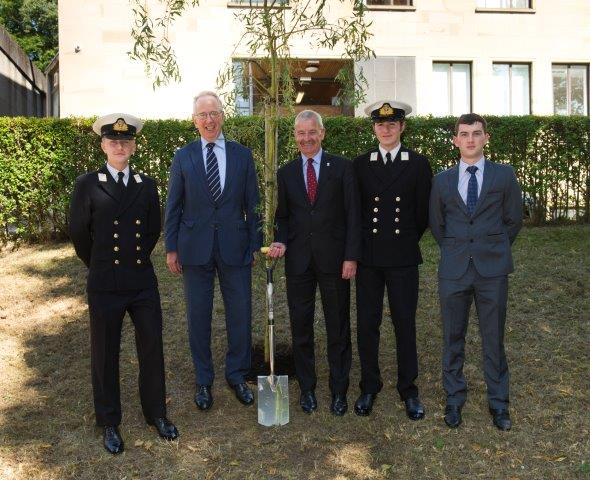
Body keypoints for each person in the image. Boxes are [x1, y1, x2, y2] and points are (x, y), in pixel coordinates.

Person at [69, 113, 178, 455]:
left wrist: (133, 260)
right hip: (104, 281)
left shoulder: (146, 184)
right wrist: (101, 264)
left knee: (151, 346)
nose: (119, 146)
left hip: (141, 280)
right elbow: (78, 233)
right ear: (103, 145)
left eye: (125, 141)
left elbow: (152, 229)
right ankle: (109, 421)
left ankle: (156, 413)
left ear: (133, 146)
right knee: (105, 353)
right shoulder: (87, 184)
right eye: (113, 141)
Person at [164, 91, 262, 411]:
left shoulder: (242, 155)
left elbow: (253, 205)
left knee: (240, 313)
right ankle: (204, 380)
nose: (209, 120)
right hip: (194, 249)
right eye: (202, 115)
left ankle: (237, 375)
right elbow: (174, 206)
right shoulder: (183, 156)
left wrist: (254, 243)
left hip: (235, 248)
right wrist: (171, 247)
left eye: (214, 113)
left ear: (222, 116)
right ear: (194, 121)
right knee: (198, 316)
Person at [429, 113, 523, 431]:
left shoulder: (504, 176)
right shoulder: (442, 180)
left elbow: (513, 220)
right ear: (455, 140)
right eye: (464, 134)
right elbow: (438, 225)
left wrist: (491, 248)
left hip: (492, 270)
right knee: (452, 337)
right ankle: (454, 400)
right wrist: (459, 249)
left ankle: (499, 404)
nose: (470, 139)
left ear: (486, 138)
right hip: (454, 270)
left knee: (493, 339)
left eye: (476, 133)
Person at [267, 109, 360, 416]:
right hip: (299, 263)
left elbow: (353, 216)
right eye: (300, 133)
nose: (306, 138)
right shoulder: (287, 172)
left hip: (335, 261)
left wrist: (350, 256)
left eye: (312, 132)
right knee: (301, 327)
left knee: (338, 327)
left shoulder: (343, 168)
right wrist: (279, 239)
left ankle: (339, 390)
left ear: (322, 133)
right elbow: (283, 218)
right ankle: (307, 389)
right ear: (295, 136)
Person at [353, 100, 432, 419]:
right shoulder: (360, 164)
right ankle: (369, 386)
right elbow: (355, 211)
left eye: (391, 124)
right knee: (368, 324)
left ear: (402, 127)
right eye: (380, 124)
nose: (385, 129)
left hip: (402, 256)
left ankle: (408, 389)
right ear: (374, 128)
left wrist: (404, 241)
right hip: (369, 258)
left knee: (404, 322)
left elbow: (422, 212)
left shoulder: (417, 163)